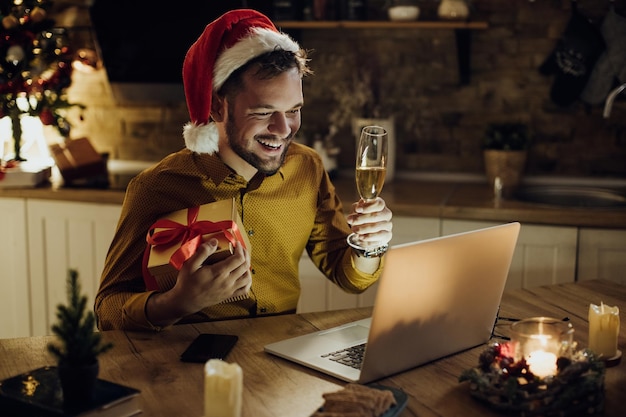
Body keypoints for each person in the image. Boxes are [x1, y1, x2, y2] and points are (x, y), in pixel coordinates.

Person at [94, 9, 393, 331]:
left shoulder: (307, 168)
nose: (283, 128)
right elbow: (107, 309)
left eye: (293, 110)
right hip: (188, 365)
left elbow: (349, 277)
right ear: (217, 106)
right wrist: (175, 303)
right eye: (264, 112)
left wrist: (368, 244)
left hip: (281, 354)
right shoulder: (157, 187)